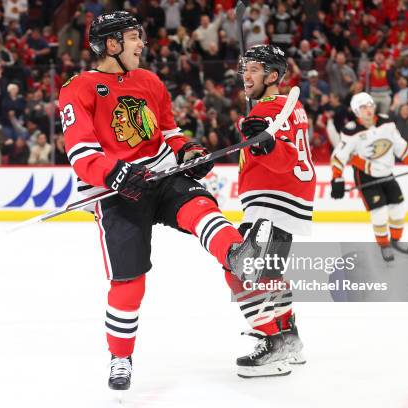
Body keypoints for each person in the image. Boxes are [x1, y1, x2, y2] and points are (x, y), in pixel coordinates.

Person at [58, 11, 275, 391]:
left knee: (202, 210)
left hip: (161, 175)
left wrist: (189, 152)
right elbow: (81, 153)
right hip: (117, 192)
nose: (141, 43)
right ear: (111, 44)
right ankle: (121, 357)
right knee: (129, 281)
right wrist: (116, 174)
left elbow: (170, 133)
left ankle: (239, 254)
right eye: (132, 37)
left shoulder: (149, 81)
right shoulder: (78, 88)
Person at [225, 44, 316, 379]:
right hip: (281, 205)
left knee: (238, 269)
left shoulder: (270, 111)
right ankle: (290, 340)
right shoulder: (281, 108)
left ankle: (272, 342)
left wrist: (267, 142)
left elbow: (286, 158)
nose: (245, 75)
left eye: (254, 69)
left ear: (273, 76)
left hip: (273, 202)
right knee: (269, 276)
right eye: (244, 68)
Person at [330, 92, 408, 261]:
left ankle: (395, 240)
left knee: (398, 208)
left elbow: (400, 146)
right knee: (378, 212)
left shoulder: (387, 123)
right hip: (366, 176)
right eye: (363, 107)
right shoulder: (351, 131)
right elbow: (339, 156)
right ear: (357, 111)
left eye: (370, 105)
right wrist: (337, 178)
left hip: (387, 173)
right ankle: (384, 245)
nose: (368, 109)